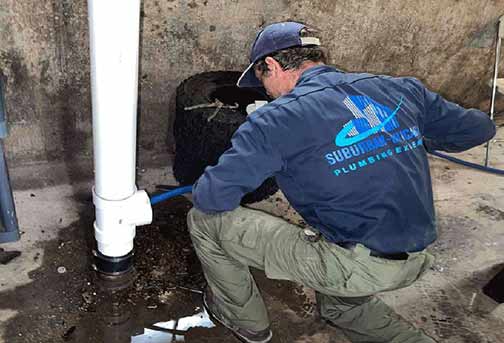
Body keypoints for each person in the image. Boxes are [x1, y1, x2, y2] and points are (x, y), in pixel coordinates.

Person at [186, 21, 496, 343]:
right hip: (416, 252)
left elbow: (212, 197)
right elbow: (480, 129)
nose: (265, 91)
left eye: (262, 80)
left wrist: (258, 150)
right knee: (342, 307)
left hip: (354, 263)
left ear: (273, 65)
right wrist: (405, 137)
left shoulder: (275, 119)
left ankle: (247, 323)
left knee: (204, 221)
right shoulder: (400, 88)